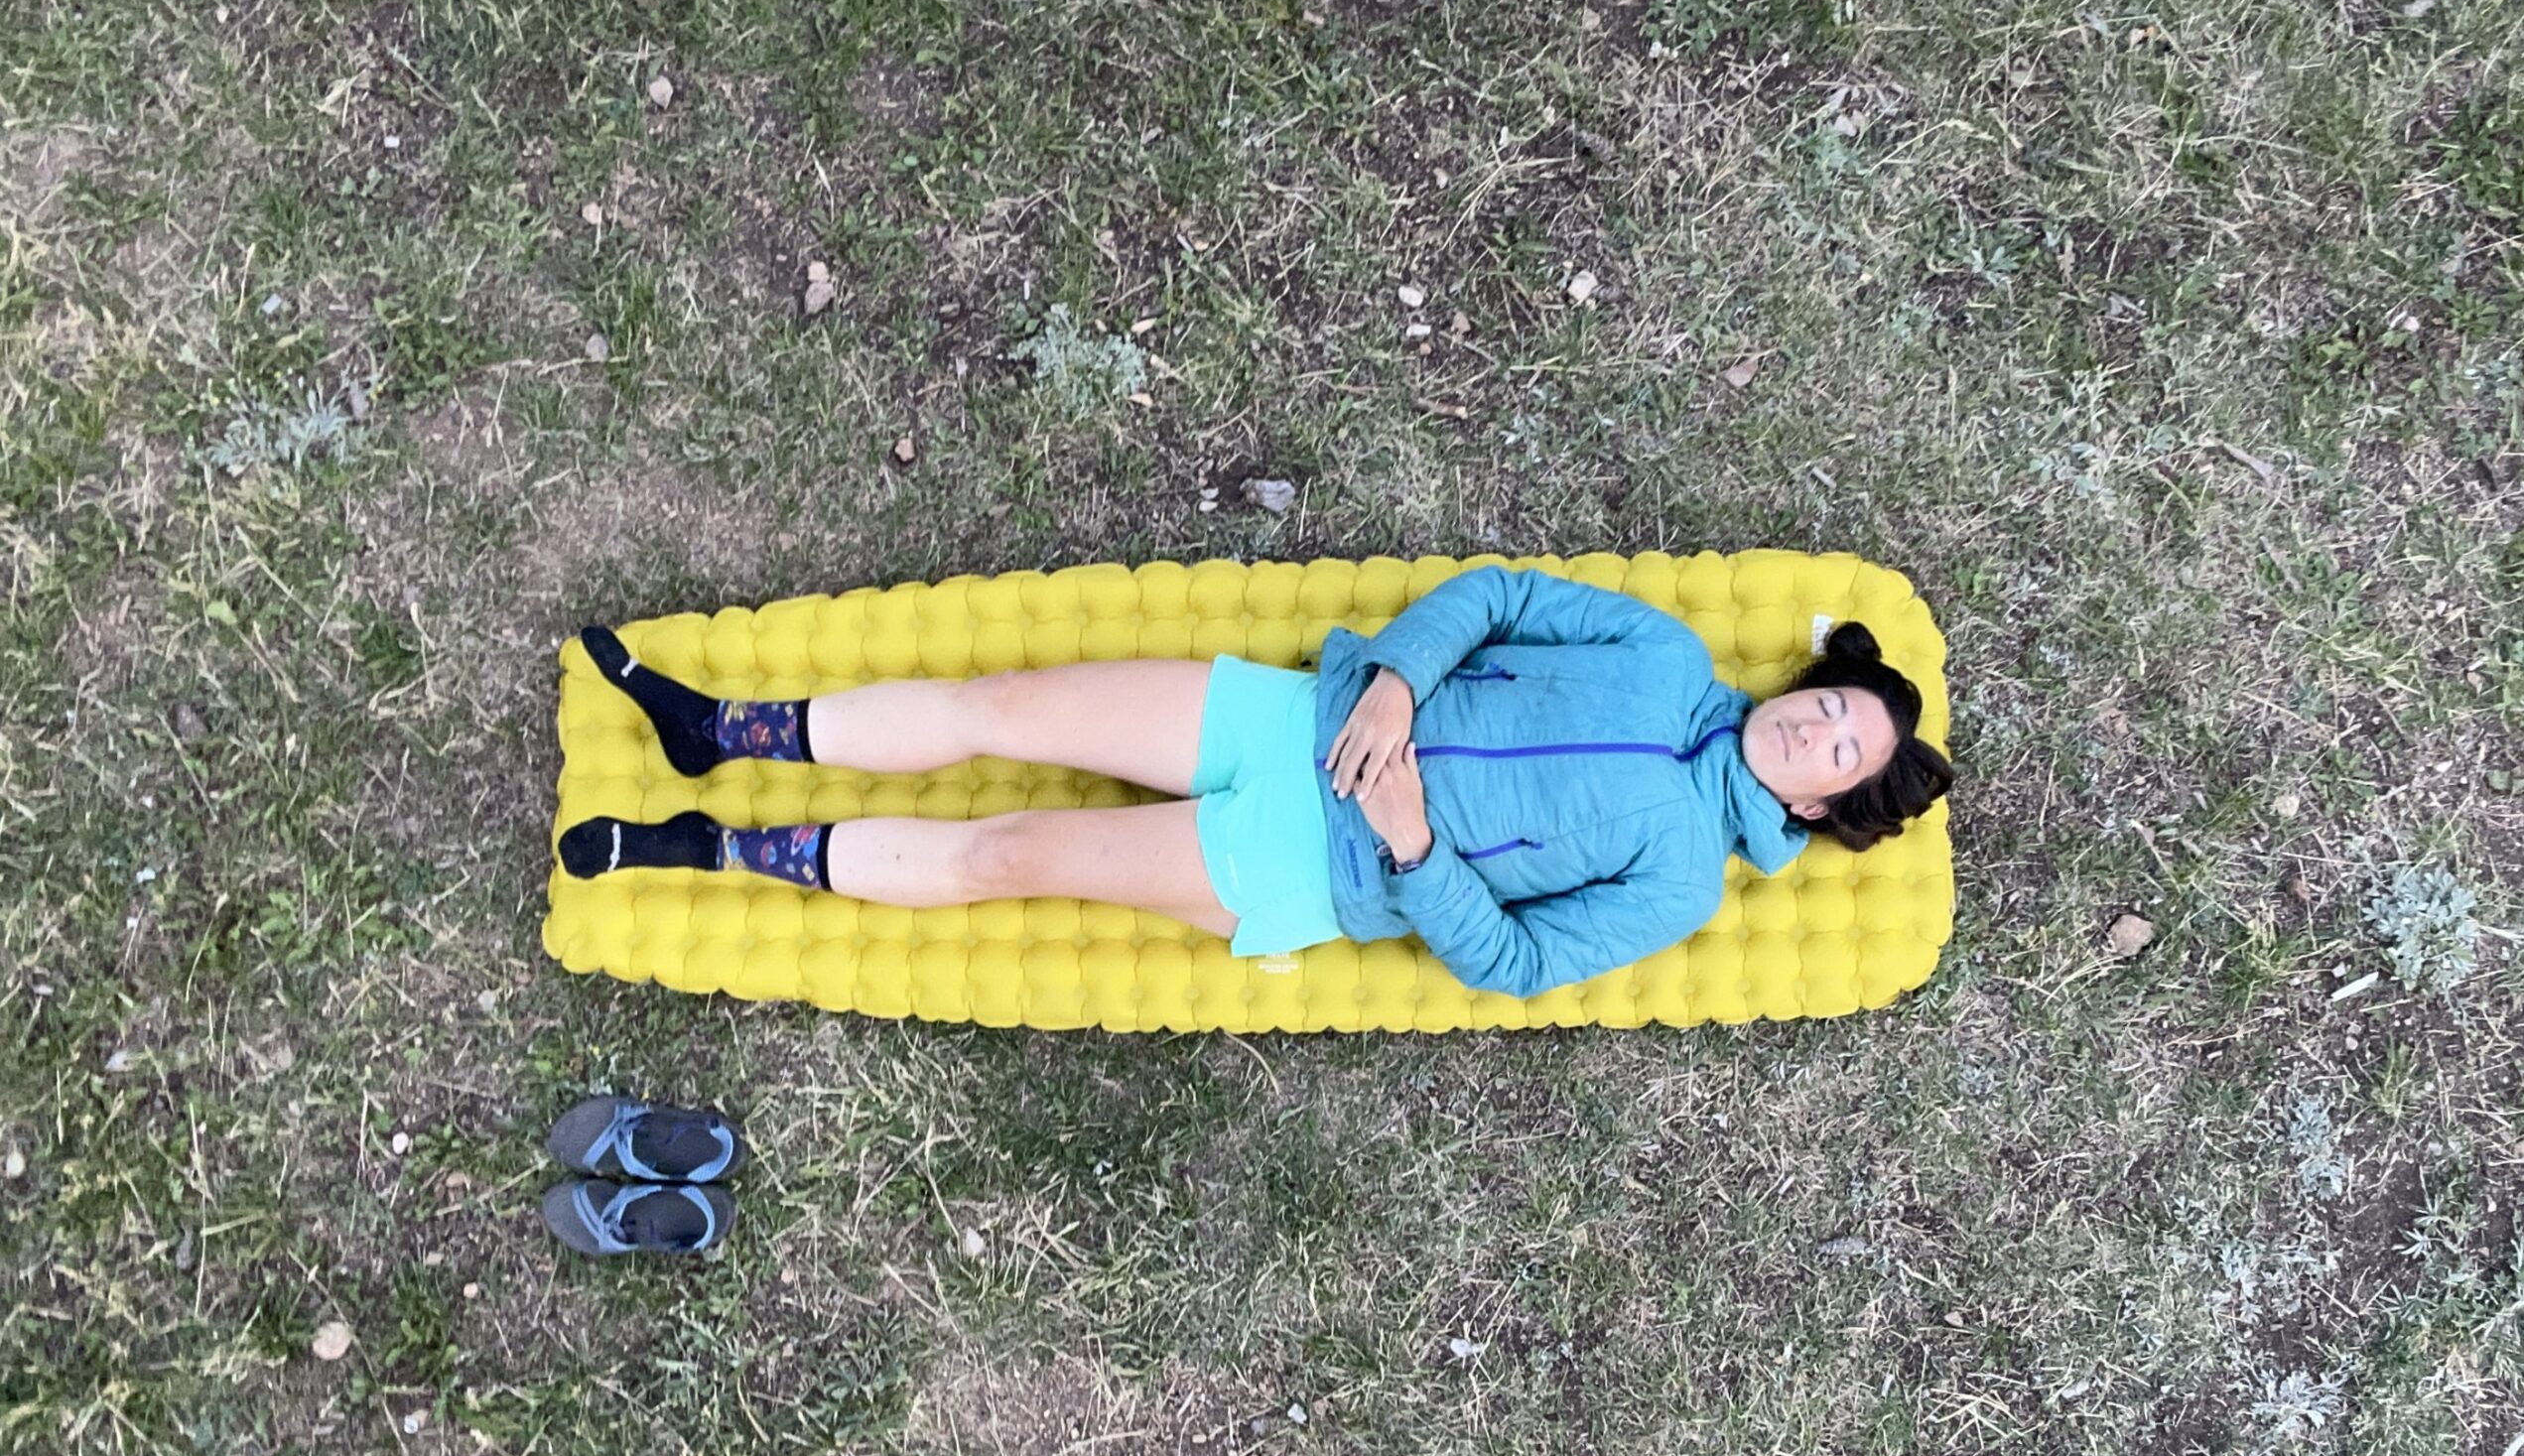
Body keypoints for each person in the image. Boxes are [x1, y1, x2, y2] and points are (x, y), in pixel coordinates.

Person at [558, 566, 1954, 999]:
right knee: (1005, 708)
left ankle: (715, 854)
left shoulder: (1674, 884)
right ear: (1804, 685)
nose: (1817, 733)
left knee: (1011, 854)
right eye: (1830, 707)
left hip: (1311, 869)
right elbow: (1500, 597)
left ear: (1826, 806)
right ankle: (720, 727)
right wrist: (1401, 679)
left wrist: (1411, 846)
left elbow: (1518, 964)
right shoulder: (1664, 654)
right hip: (1300, 720)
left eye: (1841, 753)